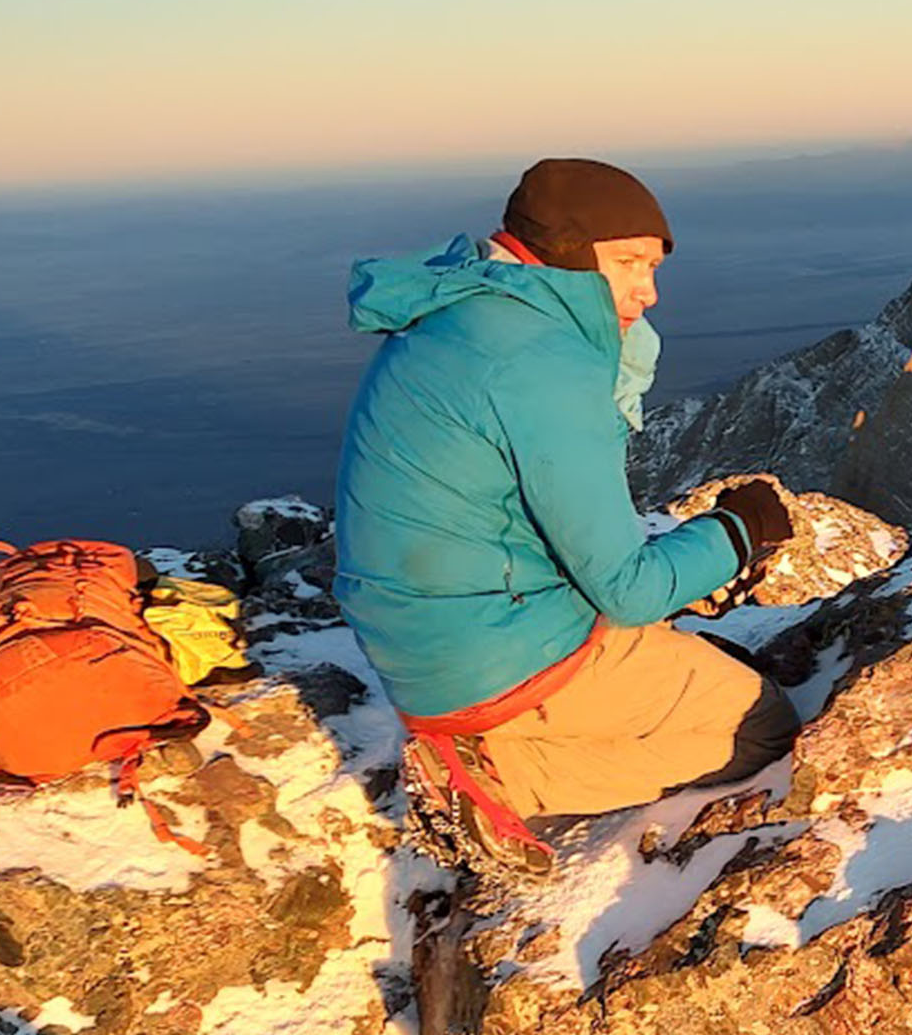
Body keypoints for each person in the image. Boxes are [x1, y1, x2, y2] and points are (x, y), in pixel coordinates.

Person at [333, 156, 798, 869]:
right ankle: (507, 782)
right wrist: (741, 530)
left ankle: (495, 742)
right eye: (631, 263)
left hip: (423, 641)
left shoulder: (467, 313)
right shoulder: (539, 363)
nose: (649, 291)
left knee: (695, 661)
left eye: (655, 266)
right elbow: (629, 589)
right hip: (490, 660)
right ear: (572, 254)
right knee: (760, 723)